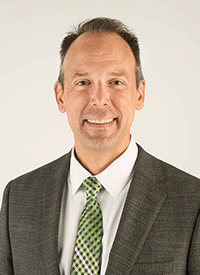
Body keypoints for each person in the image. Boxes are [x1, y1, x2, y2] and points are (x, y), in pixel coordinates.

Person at [0, 17, 200, 275]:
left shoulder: (192, 202)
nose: (99, 100)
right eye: (83, 83)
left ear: (139, 93)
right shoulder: (19, 198)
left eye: (116, 82)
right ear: (61, 96)